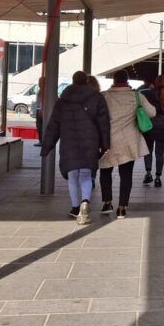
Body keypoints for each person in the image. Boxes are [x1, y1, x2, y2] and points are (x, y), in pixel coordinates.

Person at [41, 71, 110, 224]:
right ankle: (85, 201)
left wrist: (47, 146)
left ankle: (75, 207)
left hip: (69, 142)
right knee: (86, 174)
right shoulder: (97, 98)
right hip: (90, 142)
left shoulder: (62, 100)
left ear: (72, 81)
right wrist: (105, 144)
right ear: (86, 81)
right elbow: (104, 123)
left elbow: (54, 125)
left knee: (73, 175)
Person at [98, 70, 156, 218]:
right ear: (127, 80)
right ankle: (122, 208)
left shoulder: (104, 96)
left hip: (107, 141)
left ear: (114, 81)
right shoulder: (136, 96)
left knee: (105, 171)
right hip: (128, 141)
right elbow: (152, 113)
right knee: (126, 174)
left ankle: (106, 203)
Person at [141, 75, 164, 187]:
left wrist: (148, 86)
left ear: (156, 82)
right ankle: (158, 178)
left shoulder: (148, 93)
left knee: (148, 151)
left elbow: (138, 93)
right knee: (160, 153)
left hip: (149, 127)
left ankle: (148, 174)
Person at [33, 76, 45, 147]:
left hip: (41, 110)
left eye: (40, 82)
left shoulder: (44, 90)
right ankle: (41, 140)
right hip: (39, 109)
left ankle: (42, 141)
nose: (39, 83)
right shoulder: (41, 90)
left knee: (40, 126)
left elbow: (42, 100)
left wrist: (41, 109)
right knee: (39, 126)